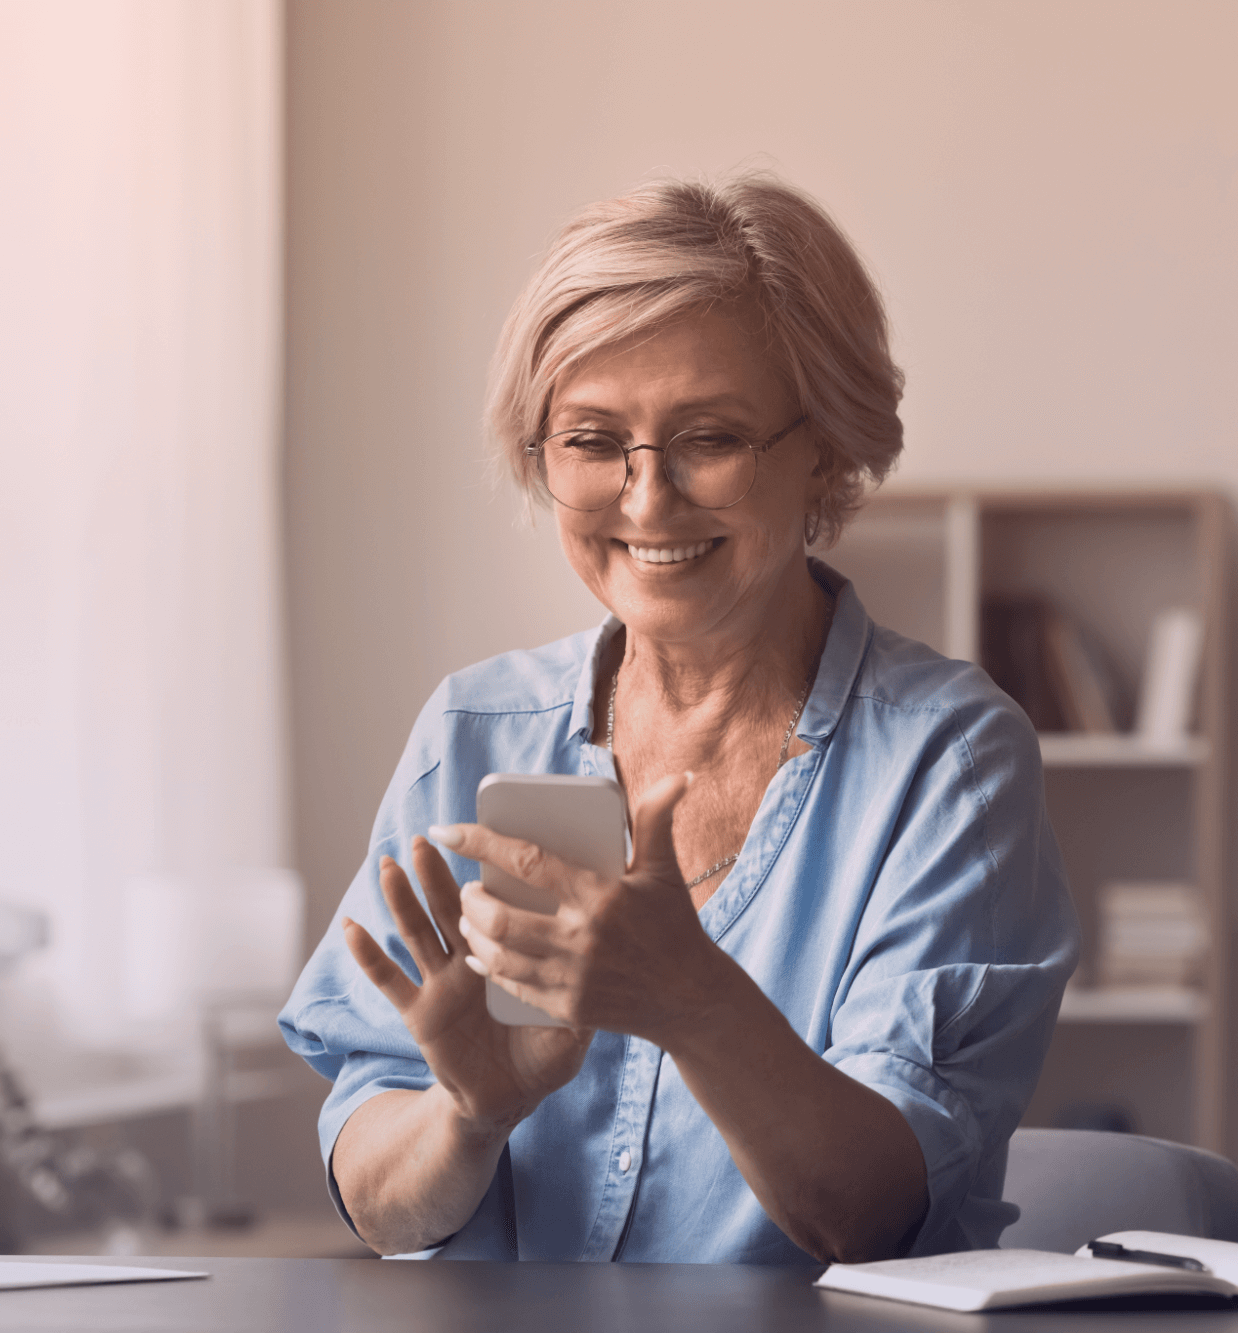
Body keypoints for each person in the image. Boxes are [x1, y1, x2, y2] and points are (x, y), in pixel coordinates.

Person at [279, 173, 1077, 1264]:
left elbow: (872, 1210)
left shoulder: (949, 760)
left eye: (709, 437)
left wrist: (693, 1000)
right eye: (593, 440)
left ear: (826, 450)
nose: (647, 500)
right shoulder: (473, 729)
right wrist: (465, 1113)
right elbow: (379, 1201)